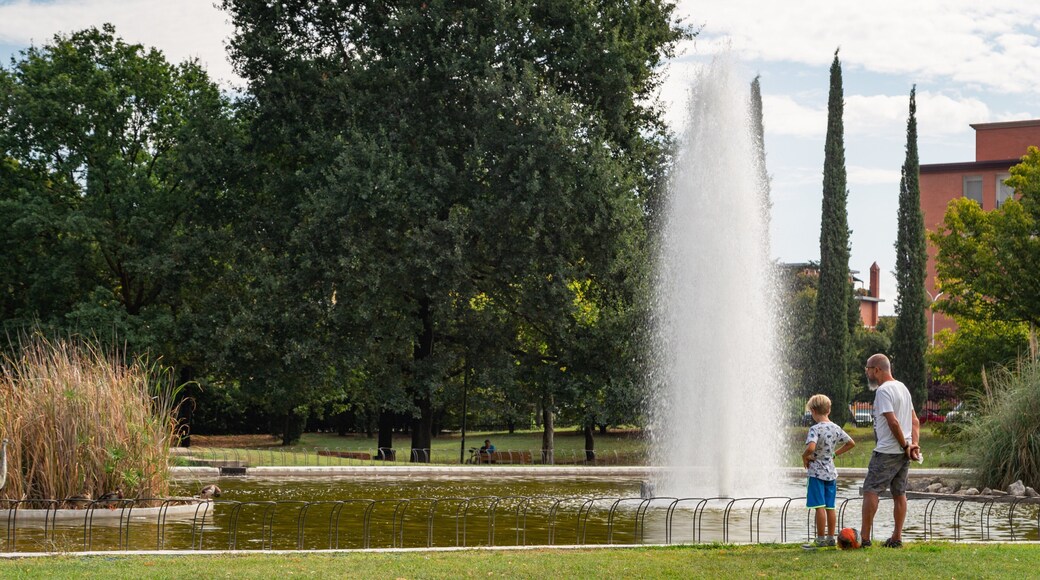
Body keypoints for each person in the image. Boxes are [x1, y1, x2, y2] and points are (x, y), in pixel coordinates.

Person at [860, 353, 921, 548]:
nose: (867, 373)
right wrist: (913, 446)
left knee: (871, 490)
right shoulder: (902, 388)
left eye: (868, 369)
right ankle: (896, 538)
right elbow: (915, 421)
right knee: (899, 493)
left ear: (877, 369)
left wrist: (905, 445)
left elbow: (892, 421)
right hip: (904, 452)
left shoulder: (883, 391)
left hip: (888, 451)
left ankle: (865, 539)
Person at [802, 394, 856, 549]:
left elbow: (811, 448)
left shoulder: (815, 429)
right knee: (830, 507)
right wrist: (834, 454)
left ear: (812, 410)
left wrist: (804, 456)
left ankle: (820, 539)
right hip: (831, 472)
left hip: (816, 473)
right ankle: (831, 538)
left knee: (819, 506)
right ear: (829, 410)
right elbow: (851, 443)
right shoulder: (835, 428)